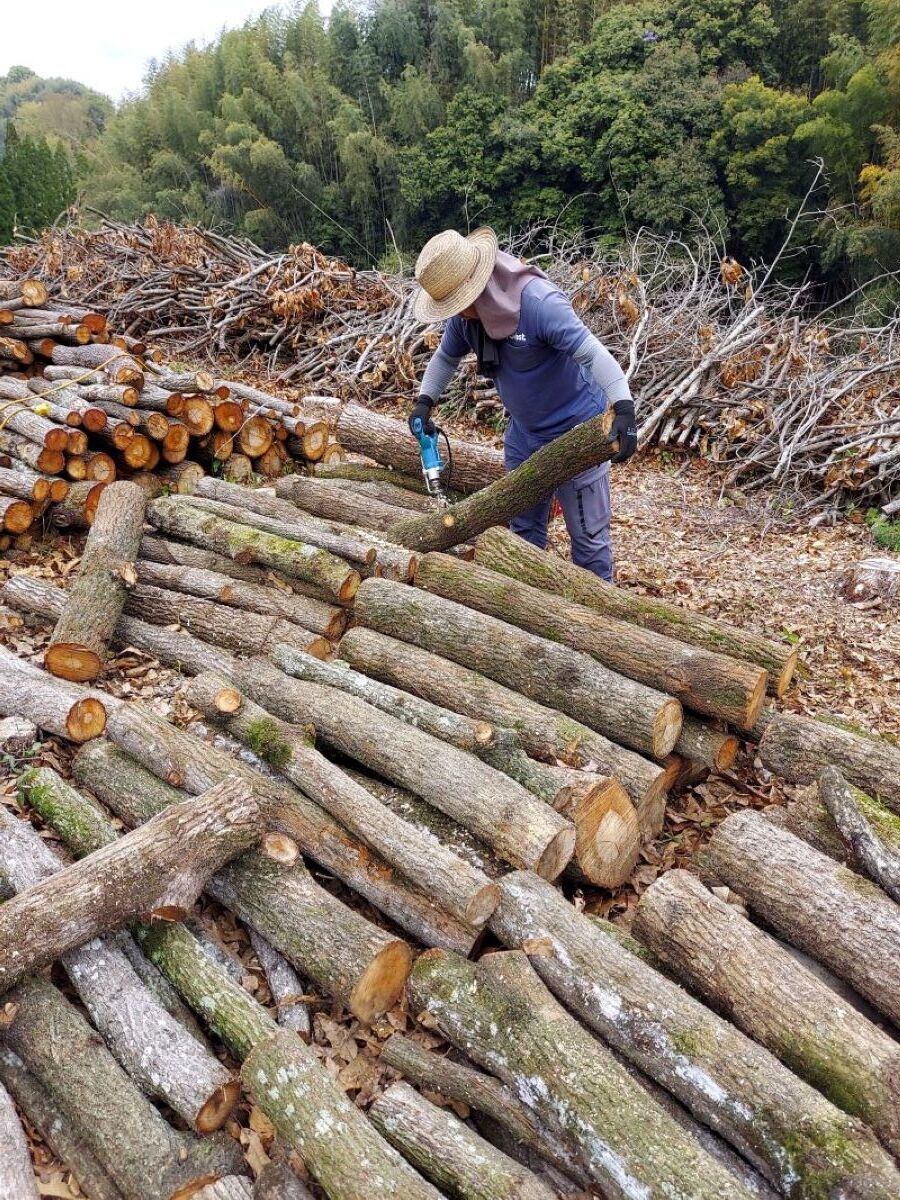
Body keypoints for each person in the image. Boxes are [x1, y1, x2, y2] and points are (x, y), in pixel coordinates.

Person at [409, 227, 637, 582]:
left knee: (589, 543)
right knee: (524, 536)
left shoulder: (538, 304)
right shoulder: (466, 320)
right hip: (524, 435)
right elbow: (444, 359)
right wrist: (425, 402)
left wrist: (623, 406)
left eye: (457, 302)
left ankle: (601, 621)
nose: (455, 312)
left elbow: (593, 353)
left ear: (476, 284)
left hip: (576, 433)